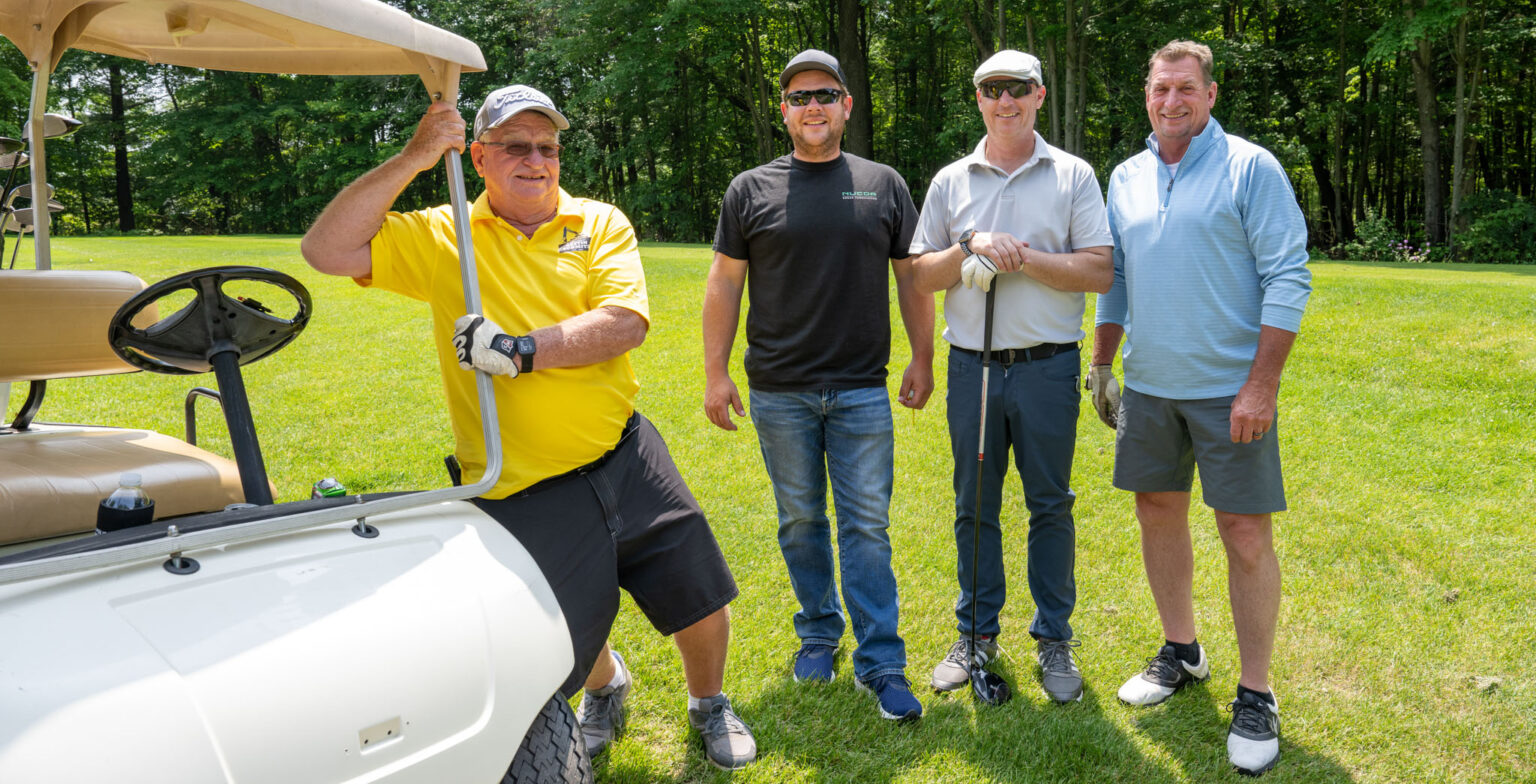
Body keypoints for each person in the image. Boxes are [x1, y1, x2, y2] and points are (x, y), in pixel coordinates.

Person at [299, 85, 756, 771]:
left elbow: (624, 323)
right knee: (560, 618)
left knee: (696, 590)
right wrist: (416, 155)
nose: (536, 160)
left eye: (548, 147)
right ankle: (606, 687)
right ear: (479, 158)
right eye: (515, 146)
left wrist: (518, 350)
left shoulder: (597, 221)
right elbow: (326, 250)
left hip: (622, 451)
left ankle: (708, 703)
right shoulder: (444, 234)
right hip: (518, 482)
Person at [1090, 40, 1311, 776]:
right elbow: (1117, 279)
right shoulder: (1126, 176)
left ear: (1210, 95)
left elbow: (1288, 277)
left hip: (1229, 391)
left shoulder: (1251, 167)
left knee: (1244, 533)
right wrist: (1102, 363)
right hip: (1150, 386)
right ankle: (1182, 651)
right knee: (1157, 511)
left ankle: (1257, 693)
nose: (1172, 101)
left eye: (1186, 88)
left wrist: (1261, 386)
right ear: (1146, 94)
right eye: (1161, 88)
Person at [702, 49, 935, 722]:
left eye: (825, 95)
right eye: (799, 97)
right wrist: (716, 373)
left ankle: (882, 662)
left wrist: (923, 358)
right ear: (784, 111)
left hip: (862, 389)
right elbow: (724, 284)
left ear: (846, 106)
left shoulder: (882, 184)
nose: (813, 106)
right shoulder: (750, 190)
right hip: (779, 390)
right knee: (801, 520)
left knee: (867, 527)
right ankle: (817, 633)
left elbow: (912, 279)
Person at [907, 49, 1113, 704]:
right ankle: (975, 635)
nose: (1006, 101)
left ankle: (1054, 638)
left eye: (1018, 89)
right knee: (974, 505)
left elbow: (1099, 270)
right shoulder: (951, 181)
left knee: (1050, 504)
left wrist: (1022, 259)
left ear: (1039, 95)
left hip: (1048, 366)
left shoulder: (1073, 174)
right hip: (973, 368)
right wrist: (970, 244)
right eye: (993, 89)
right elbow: (919, 275)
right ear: (978, 99)